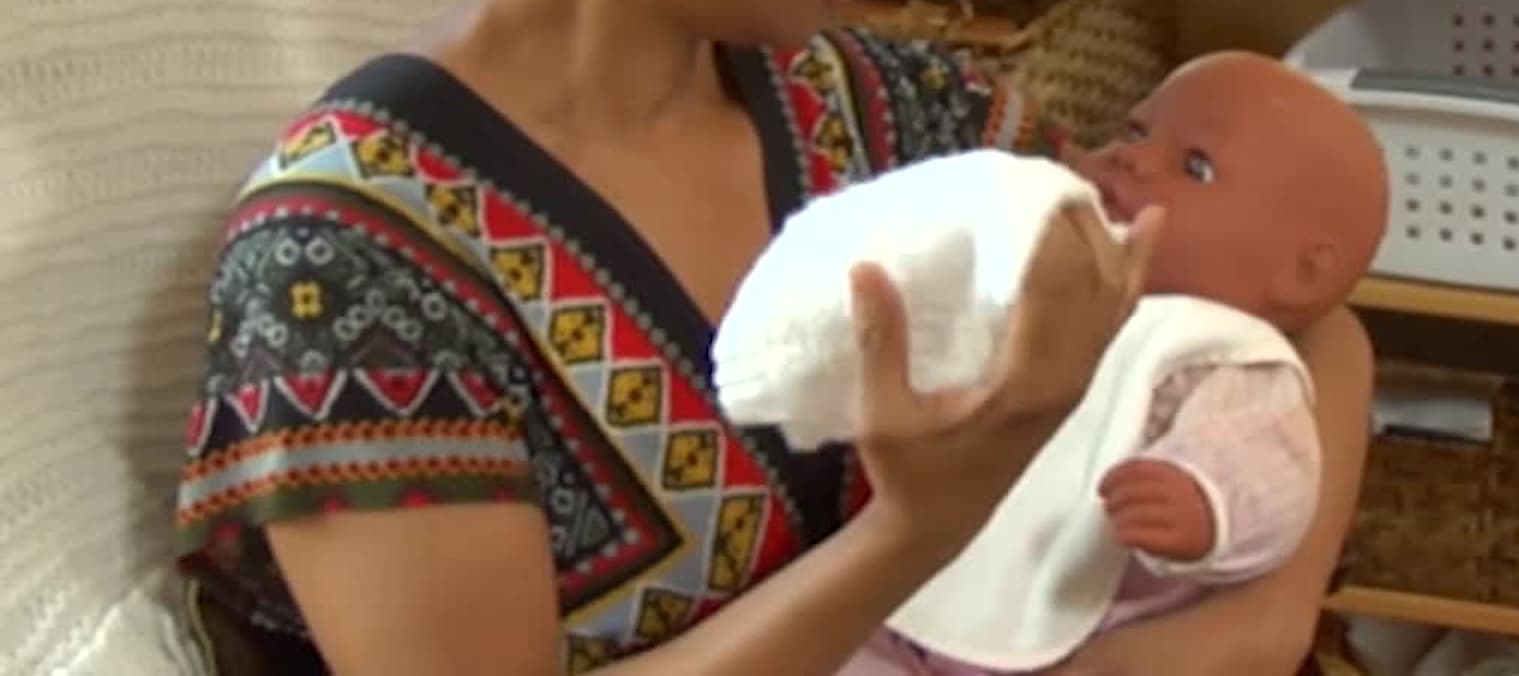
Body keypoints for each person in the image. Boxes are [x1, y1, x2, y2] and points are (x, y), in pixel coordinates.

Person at [169, 1, 1378, 674]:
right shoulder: (350, 259)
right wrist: (918, 530)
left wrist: (1251, 622)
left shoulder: (889, 110)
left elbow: (1267, 296)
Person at [698, 53, 1384, 675]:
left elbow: (1271, 475)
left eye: (1195, 167)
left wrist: (1204, 500)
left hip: (1080, 628)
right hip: (903, 611)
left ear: (1301, 275)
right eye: (1136, 131)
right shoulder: (1053, 259)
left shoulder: (1225, 360)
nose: (1130, 158)